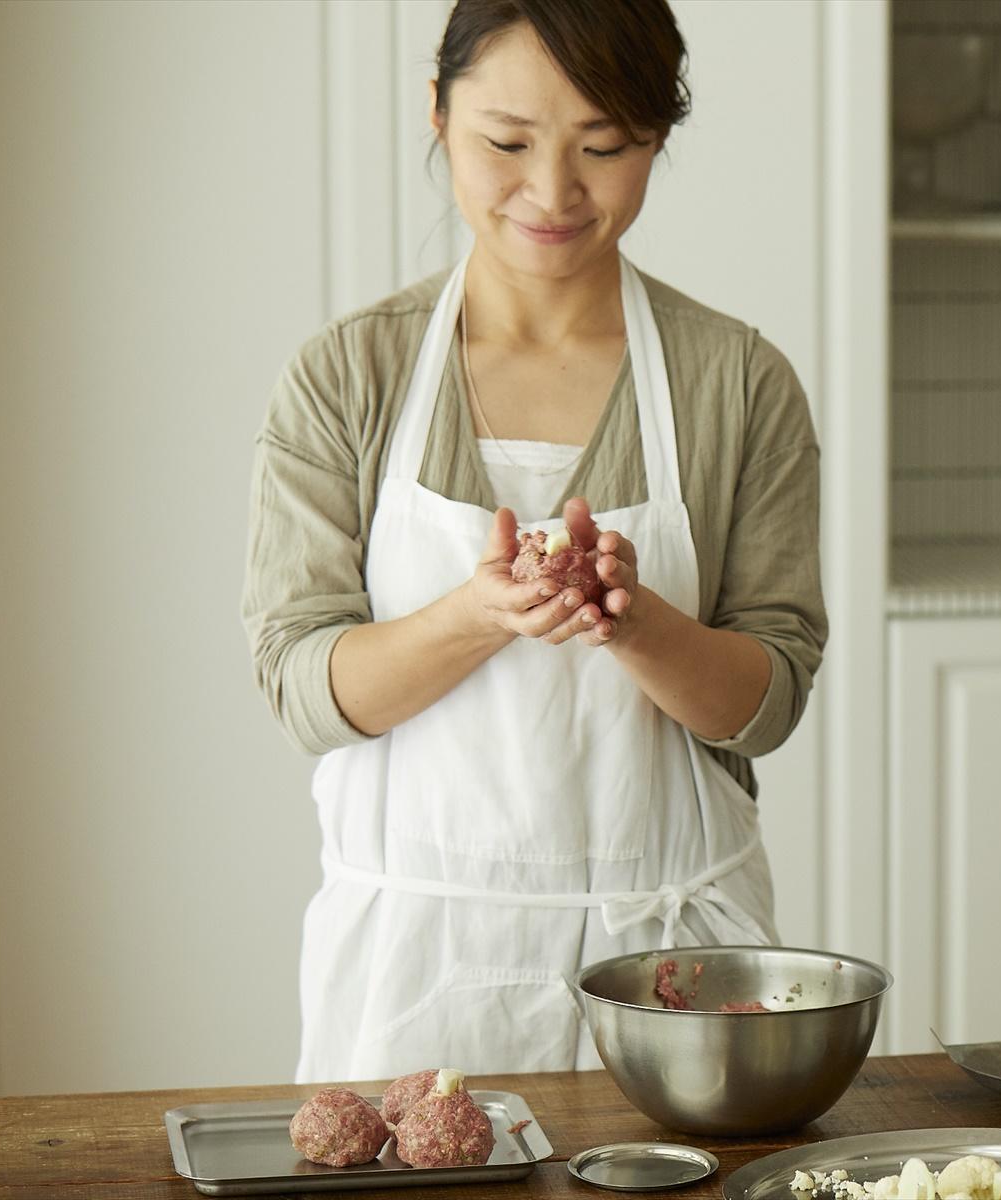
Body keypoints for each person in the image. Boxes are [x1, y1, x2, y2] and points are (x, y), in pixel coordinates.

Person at [242, 0, 825, 1081]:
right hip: (415, 970)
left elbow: (770, 699)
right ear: (437, 111)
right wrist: (478, 617)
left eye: (604, 148)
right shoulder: (346, 378)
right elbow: (302, 687)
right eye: (506, 143)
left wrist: (636, 625)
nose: (553, 194)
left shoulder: (739, 385)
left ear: (658, 137)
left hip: (672, 978)